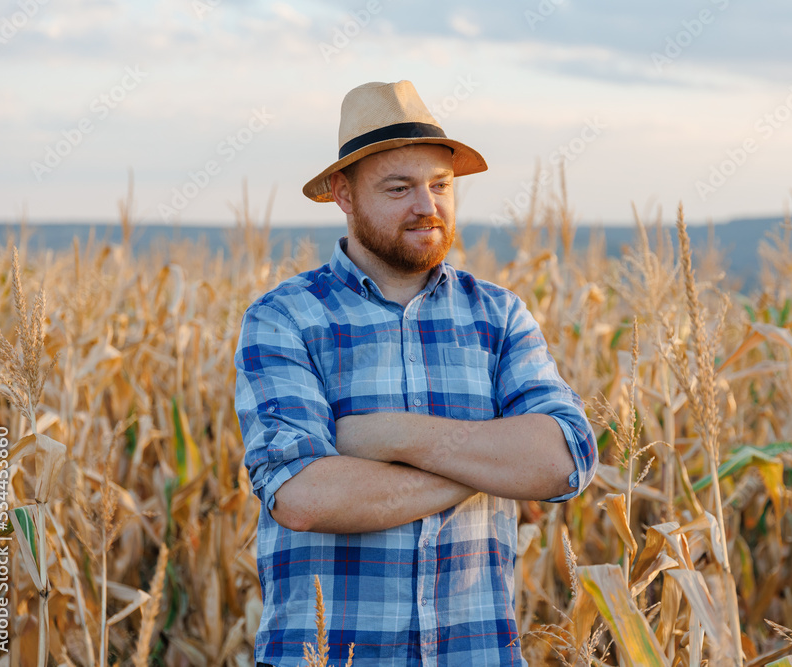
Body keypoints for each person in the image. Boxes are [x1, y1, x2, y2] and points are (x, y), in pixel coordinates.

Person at [234, 80, 597, 666]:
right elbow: (304, 496)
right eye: (399, 188)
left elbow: (564, 461)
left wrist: (387, 437)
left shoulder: (498, 316)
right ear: (342, 194)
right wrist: (493, 469)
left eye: (440, 185)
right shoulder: (285, 319)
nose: (427, 206)